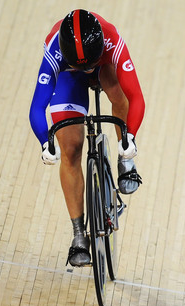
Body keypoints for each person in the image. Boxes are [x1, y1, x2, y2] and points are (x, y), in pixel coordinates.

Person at [29, 9, 145, 266]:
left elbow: (136, 96)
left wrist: (131, 137)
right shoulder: (55, 49)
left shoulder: (111, 39)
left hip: (104, 68)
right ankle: (79, 235)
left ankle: (125, 162)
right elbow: (38, 106)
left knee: (119, 94)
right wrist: (44, 142)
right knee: (70, 150)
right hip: (68, 78)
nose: (86, 68)